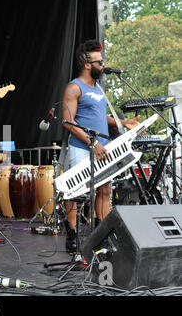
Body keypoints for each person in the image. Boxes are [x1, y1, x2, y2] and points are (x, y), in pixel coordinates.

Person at [61, 40, 140, 254]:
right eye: (100, 62)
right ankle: (72, 236)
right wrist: (92, 142)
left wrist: (123, 123)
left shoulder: (98, 89)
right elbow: (68, 121)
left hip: (104, 147)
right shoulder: (74, 87)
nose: (103, 65)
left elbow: (99, 117)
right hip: (83, 147)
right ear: (88, 64)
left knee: (105, 190)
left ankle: (102, 234)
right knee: (76, 192)